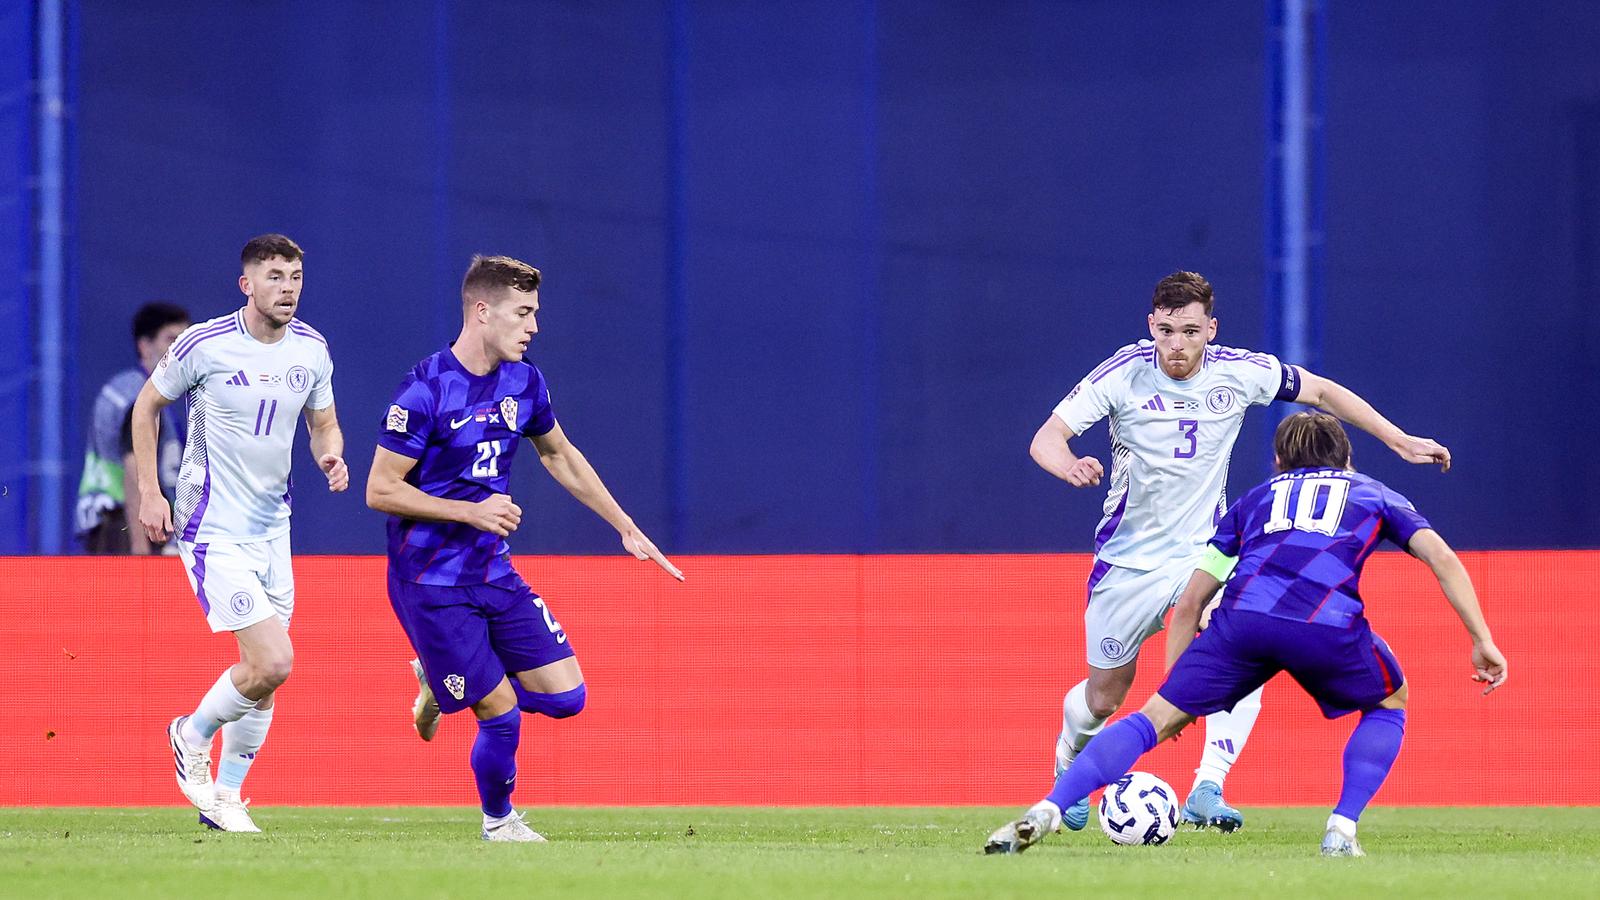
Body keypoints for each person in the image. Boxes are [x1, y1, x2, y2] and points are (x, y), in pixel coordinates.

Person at [1028, 271, 1451, 832]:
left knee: (1243, 638)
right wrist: (1070, 465)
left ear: (1211, 328)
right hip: (1126, 564)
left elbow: (1322, 392)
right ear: (1150, 325)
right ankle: (1070, 759)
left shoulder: (1239, 371)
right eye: (1165, 331)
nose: (1176, 344)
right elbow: (1046, 439)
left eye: (1189, 331)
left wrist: (1399, 440)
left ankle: (1208, 785)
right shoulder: (1123, 373)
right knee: (1104, 699)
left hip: (1202, 552)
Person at [986, 411, 1507, 855]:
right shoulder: (1375, 494)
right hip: (1323, 622)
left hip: (1242, 622)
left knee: (1152, 719)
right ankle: (1341, 829)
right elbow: (1439, 556)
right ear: (1348, 458)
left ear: (1279, 462)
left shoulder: (1255, 500)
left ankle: (1048, 808)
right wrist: (1481, 638)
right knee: (1390, 700)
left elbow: (1191, 601)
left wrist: (1180, 683)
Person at [366, 254, 682, 842]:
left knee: (568, 699)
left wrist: (625, 525)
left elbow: (559, 454)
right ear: (483, 312)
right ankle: (499, 822)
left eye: (535, 312)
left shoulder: (525, 380)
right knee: (502, 715)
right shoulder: (424, 389)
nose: (534, 325)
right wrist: (470, 511)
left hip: (493, 572)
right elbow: (379, 489)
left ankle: (442, 680)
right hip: (430, 582)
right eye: (524, 312)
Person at [130, 234, 347, 833]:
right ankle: (189, 733)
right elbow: (145, 408)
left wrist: (331, 456)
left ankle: (225, 799)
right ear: (246, 284)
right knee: (274, 659)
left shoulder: (311, 350)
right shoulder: (205, 344)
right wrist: (152, 491)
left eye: (296, 276)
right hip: (211, 527)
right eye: (275, 276)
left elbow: (324, 424)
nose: (289, 287)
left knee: (265, 679)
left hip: (273, 528)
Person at [75, 302, 190, 554]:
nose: (179, 349)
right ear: (144, 346)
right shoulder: (142, 398)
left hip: (109, 520)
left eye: (185, 340)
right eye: (171, 339)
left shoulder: (125, 388)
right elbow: (134, 466)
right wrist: (139, 551)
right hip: (125, 526)